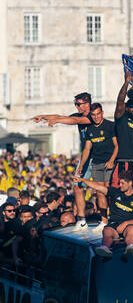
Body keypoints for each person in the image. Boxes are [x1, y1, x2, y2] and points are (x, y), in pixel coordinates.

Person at [32, 92, 94, 231]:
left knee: (101, 189)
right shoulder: (79, 115)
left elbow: (75, 121)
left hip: (98, 156)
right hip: (86, 156)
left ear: (87, 104)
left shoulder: (92, 116)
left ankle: (104, 218)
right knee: (77, 186)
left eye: (79, 104)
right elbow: (62, 117)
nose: (77, 107)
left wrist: (58, 121)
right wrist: (43, 117)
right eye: (75, 104)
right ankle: (81, 219)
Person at [73, 170, 133, 258]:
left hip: (128, 226)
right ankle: (105, 248)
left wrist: (125, 223)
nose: (120, 185)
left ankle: (129, 247)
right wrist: (83, 180)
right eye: (119, 183)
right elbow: (98, 187)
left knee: (131, 228)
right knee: (107, 230)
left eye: (122, 183)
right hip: (114, 225)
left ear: (130, 183)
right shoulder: (115, 192)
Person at [78, 102, 118, 232]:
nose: (96, 117)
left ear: (102, 113)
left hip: (109, 163)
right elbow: (87, 148)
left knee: (109, 192)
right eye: (93, 115)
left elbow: (117, 145)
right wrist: (82, 165)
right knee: (100, 193)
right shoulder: (89, 129)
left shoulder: (110, 126)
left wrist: (112, 160)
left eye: (98, 114)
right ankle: (104, 220)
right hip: (96, 163)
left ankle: (114, 218)